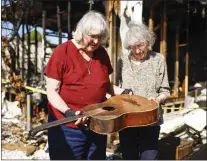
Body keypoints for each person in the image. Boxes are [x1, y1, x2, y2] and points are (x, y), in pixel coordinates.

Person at [44, 10, 115, 160]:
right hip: (68, 128)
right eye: (92, 36)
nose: (96, 42)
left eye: (100, 37)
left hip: (97, 124)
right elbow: (52, 91)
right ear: (82, 32)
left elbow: (106, 86)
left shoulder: (101, 53)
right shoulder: (62, 52)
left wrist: (125, 93)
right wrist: (69, 112)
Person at [115, 21, 171, 160]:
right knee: (129, 156)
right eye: (133, 47)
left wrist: (157, 99)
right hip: (127, 120)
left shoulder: (158, 59)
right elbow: (114, 89)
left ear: (148, 42)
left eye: (141, 45)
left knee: (149, 157)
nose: (138, 50)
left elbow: (165, 90)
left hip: (150, 120)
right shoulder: (122, 61)